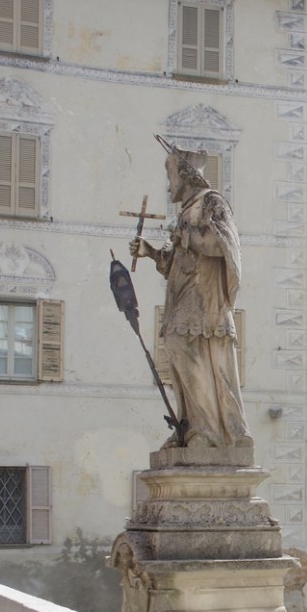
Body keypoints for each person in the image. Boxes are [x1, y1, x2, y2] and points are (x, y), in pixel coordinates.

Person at [131, 141, 251, 450]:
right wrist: (150, 252)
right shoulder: (186, 212)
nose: (169, 183)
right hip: (183, 300)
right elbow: (176, 264)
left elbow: (223, 246)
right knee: (176, 350)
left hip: (205, 302)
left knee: (183, 346)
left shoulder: (212, 204)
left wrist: (186, 234)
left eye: (171, 175)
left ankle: (208, 431)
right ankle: (190, 426)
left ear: (185, 175)